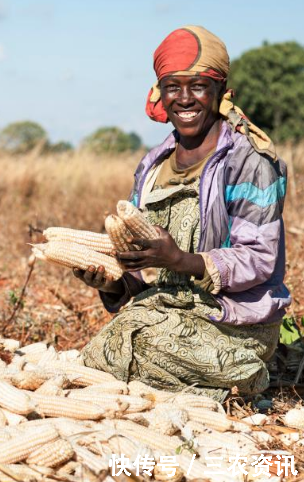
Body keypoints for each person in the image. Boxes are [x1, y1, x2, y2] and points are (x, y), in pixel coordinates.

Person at [75, 26, 290, 402]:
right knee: (100, 354)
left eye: (199, 86)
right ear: (160, 93)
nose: (185, 98)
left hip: (231, 322)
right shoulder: (152, 166)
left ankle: (247, 375)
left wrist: (182, 260)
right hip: (165, 311)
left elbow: (260, 258)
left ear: (221, 91)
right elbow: (143, 272)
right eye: (174, 86)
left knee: (140, 353)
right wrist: (111, 282)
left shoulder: (248, 162)